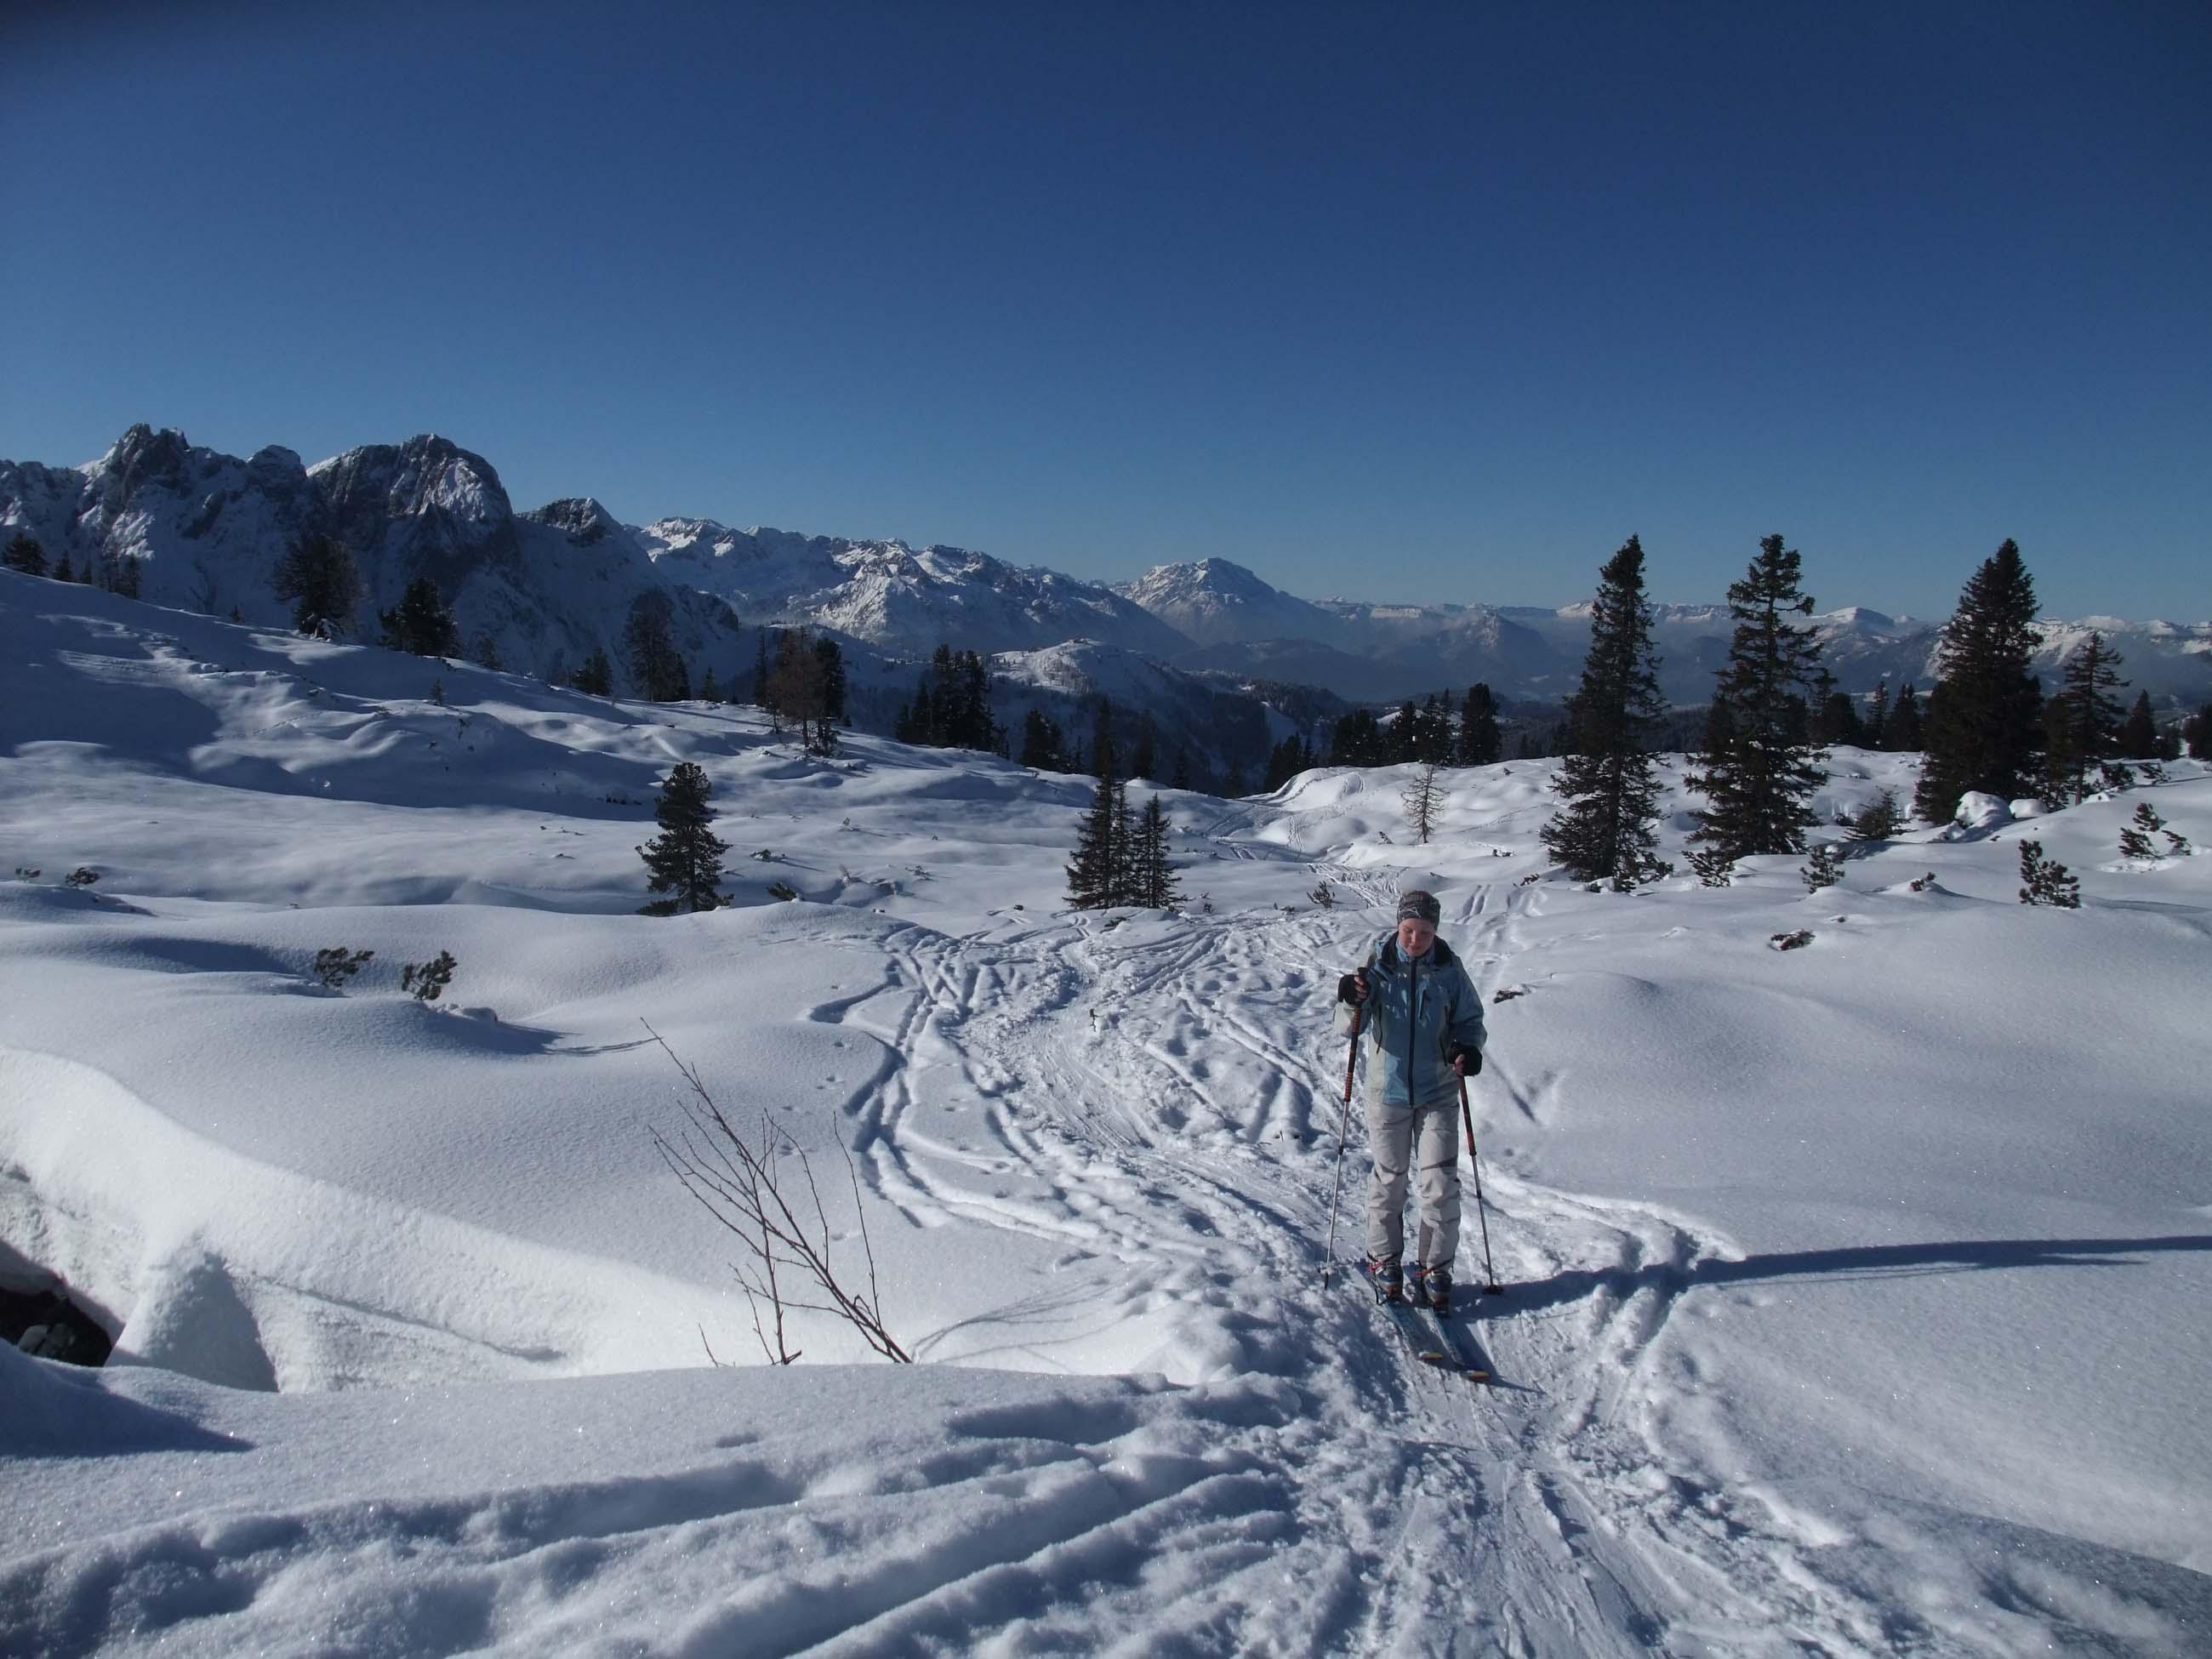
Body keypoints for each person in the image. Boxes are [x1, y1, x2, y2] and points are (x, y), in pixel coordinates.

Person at [1335, 889, 1485, 1314]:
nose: (1415, 940)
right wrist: (1349, 999)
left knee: (1440, 1182)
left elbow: (1470, 1020)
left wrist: (1467, 1048)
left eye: (1424, 932)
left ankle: (1434, 1268)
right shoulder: (1377, 967)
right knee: (1390, 1179)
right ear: (1398, 926)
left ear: (1435, 931)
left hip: (1439, 1090)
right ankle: (1384, 1259)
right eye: (1408, 930)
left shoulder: (1449, 970)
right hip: (1388, 1092)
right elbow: (1349, 1028)